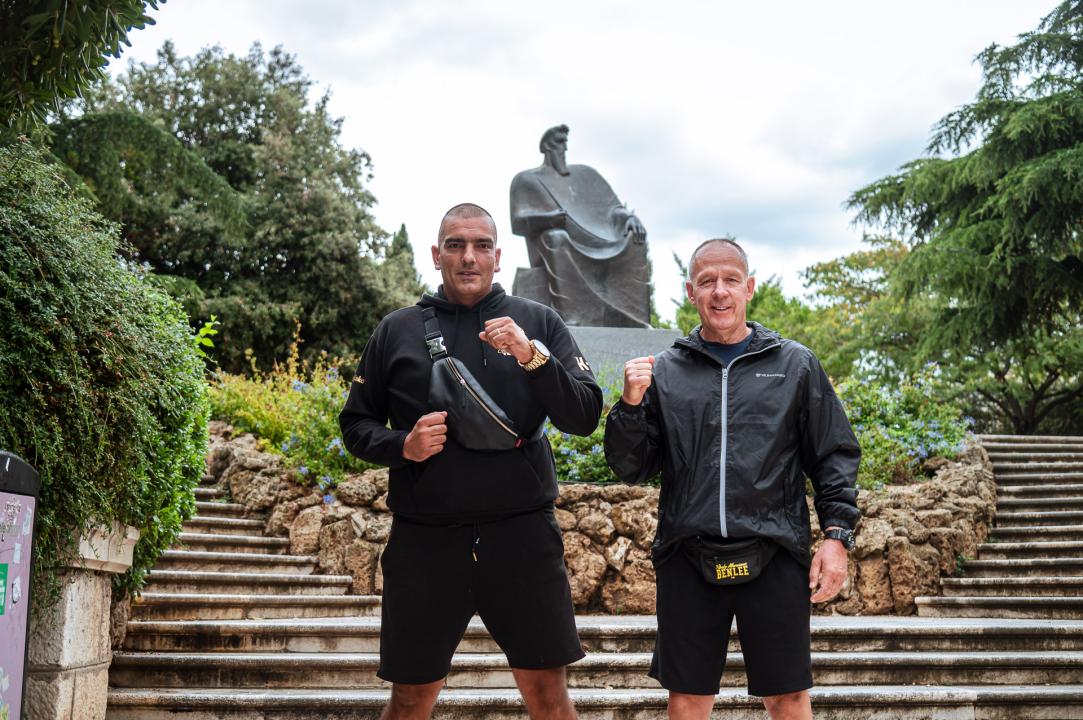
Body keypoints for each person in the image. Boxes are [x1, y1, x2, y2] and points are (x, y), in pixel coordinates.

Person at [340, 203, 603, 720]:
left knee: (549, 698)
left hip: (523, 536)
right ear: (436, 255)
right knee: (411, 698)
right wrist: (403, 445)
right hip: (425, 541)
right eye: (456, 246)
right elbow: (355, 425)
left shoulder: (537, 321)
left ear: (498, 257)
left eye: (482, 246)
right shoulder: (396, 330)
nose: (469, 257)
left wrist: (533, 357)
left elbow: (585, 415)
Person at [603, 238, 861, 720]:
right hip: (688, 556)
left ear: (750, 288)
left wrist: (837, 538)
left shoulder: (795, 364)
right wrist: (630, 406)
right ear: (690, 291)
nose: (719, 292)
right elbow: (632, 466)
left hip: (775, 553)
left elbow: (833, 455)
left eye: (730, 280)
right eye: (706, 282)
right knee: (687, 700)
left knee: (787, 698)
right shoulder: (667, 371)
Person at [509, 124, 651, 328]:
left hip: (594, 239)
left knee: (635, 239)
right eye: (559, 143)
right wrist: (549, 219)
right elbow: (518, 223)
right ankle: (567, 315)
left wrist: (630, 217)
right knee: (556, 237)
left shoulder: (585, 175)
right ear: (546, 147)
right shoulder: (526, 179)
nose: (563, 149)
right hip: (548, 247)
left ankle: (633, 319)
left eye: (565, 144)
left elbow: (614, 208)